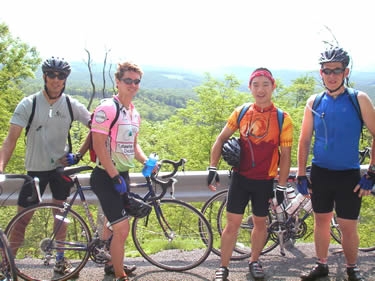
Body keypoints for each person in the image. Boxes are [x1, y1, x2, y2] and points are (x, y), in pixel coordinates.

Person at [0, 56, 91, 276]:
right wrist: (1, 167)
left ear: (65, 79)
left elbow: (98, 127)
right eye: (52, 74)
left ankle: (61, 260)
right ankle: (6, 265)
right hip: (35, 171)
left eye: (61, 76)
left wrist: (78, 155)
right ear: (44, 76)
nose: (56, 80)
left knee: (60, 217)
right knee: (21, 221)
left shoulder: (71, 104)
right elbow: (11, 139)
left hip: (61, 170)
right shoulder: (29, 104)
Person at [297, 46, 375, 281]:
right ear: (321, 73)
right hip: (321, 173)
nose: (331, 75)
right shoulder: (314, 101)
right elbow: (304, 139)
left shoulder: (358, 99)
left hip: (348, 174)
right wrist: (301, 173)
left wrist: (371, 173)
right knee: (321, 221)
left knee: (347, 225)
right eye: (326, 70)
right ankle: (321, 265)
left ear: (346, 72)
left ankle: (352, 268)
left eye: (336, 70)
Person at [207, 68, 293, 281]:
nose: (260, 89)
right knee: (232, 224)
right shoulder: (242, 112)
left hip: (264, 181)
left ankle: (254, 261)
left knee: (260, 224)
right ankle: (223, 267)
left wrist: (281, 186)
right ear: (250, 87)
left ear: (273, 87)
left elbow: (285, 156)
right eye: (256, 85)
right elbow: (220, 139)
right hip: (241, 178)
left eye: (265, 84)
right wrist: (212, 167)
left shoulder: (283, 119)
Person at [90, 61, 152, 281]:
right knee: (122, 229)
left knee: (110, 223)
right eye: (128, 80)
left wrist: (147, 160)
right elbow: (98, 145)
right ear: (118, 82)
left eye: (136, 81)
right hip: (106, 176)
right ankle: (120, 275)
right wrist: (114, 176)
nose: (133, 85)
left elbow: (133, 145)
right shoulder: (107, 108)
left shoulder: (134, 113)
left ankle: (110, 263)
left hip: (121, 175)